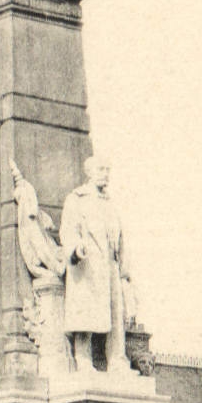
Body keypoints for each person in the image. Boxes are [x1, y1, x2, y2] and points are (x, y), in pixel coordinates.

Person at [58, 158, 130, 373]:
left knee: (116, 313)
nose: (105, 173)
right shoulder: (77, 199)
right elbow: (68, 230)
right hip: (87, 265)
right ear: (89, 171)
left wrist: (125, 271)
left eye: (108, 169)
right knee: (85, 312)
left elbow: (121, 239)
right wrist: (75, 249)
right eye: (101, 169)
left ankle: (117, 360)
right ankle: (83, 358)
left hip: (110, 267)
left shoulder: (110, 203)